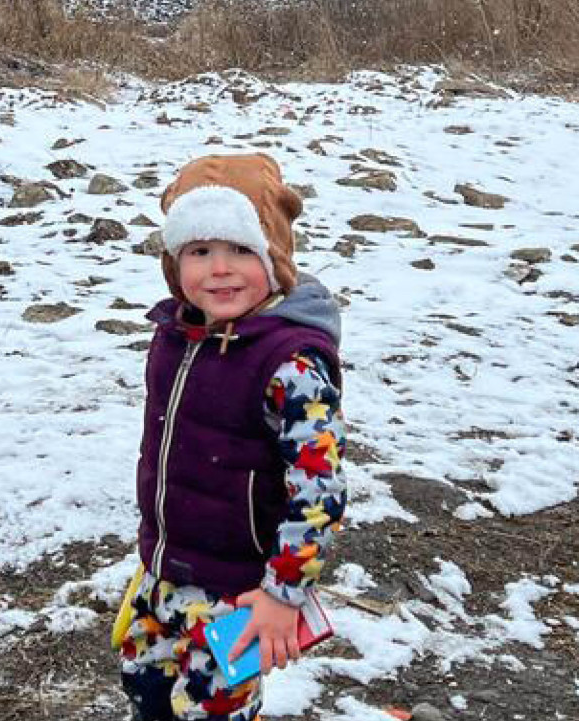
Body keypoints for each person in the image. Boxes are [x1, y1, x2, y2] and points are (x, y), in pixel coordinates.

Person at [115, 153, 348, 721]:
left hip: (241, 594)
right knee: (146, 690)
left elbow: (317, 495)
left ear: (274, 257)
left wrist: (281, 594)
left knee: (215, 711)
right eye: (199, 252)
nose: (219, 269)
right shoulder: (178, 335)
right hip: (166, 572)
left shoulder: (289, 363)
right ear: (175, 263)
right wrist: (155, 558)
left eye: (241, 250)